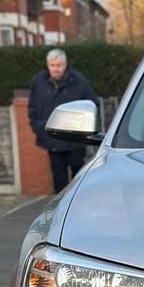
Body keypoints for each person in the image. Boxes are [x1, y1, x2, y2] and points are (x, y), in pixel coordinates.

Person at [28, 49, 98, 193]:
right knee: (58, 180)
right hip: (52, 139)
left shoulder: (79, 81)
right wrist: (39, 128)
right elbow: (32, 107)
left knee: (78, 178)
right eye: (52, 65)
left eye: (59, 65)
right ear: (47, 65)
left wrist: (84, 130)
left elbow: (92, 104)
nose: (56, 69)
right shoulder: (38, 82)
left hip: (75, 139)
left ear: (65, 65)